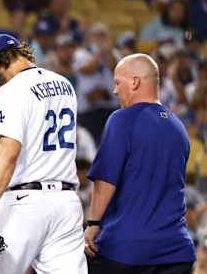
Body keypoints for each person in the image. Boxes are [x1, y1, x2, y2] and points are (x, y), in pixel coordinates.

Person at [0, 34, 87, 273]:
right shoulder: (64, 84)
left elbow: (8, 154)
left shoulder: (10, 92)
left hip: (25, 203)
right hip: (67, 203)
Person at [84, 53, 196, 273]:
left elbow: (105, 180)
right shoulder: (178, 126)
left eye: (118, 82)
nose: (114, 90)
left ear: (134, 82)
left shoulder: (122, 119)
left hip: (127, 250)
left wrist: (93, 224)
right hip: (176, 251)